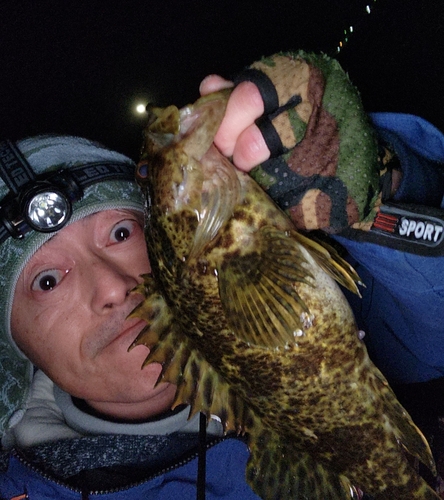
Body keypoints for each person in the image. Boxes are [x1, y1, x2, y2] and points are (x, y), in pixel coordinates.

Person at [0, 50, 443, 498]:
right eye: (48, 281)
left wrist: (386, 187)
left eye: (120, 231)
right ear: (11, 342)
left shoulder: (273, 277)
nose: (113, 287)